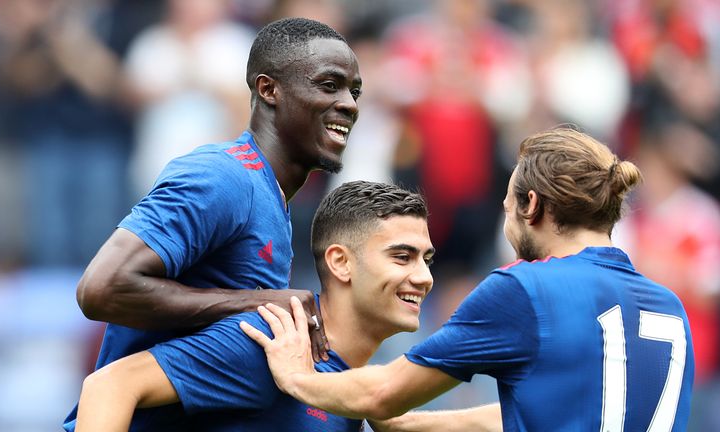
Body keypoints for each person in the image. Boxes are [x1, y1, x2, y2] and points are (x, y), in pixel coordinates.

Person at [243, 127, 696, 431]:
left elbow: (382, 393)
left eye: (507, 203)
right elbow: (535, 414)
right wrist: (406, 425)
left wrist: (297, 377)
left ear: (531, 205)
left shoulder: (524, 289)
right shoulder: (670, 307)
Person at [63, 17, 362, 431]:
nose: (349, 104)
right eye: (329, 86)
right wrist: (256, 303)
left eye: (354, 91)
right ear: (268, 89)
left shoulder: (269, 199)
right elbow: (100, 289)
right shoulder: (223, 177)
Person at [73, 181, 499, 431]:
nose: (423, 277)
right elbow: (109, 386)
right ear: (341, 263)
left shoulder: (343, 386)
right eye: (401, 257)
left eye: (427, 260)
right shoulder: (273, 339)